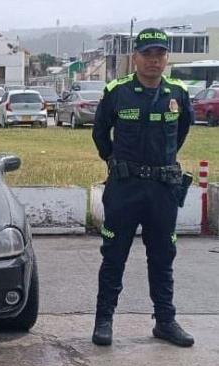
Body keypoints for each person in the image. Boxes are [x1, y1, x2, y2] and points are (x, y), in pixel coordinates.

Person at [91, 28, 195, 347]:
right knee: (114, 255)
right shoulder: (117, 91)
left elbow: (182, 131)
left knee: (163, 256)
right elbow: (100, 132)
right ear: (135, 57)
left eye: (159, 54)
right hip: (125, 188)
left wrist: (163, 161)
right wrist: (115, 161)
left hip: (162, 189)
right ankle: (104, 320)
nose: (153, 60)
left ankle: (165, 321)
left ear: (167, 58)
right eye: (147, 54)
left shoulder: (178, 92)